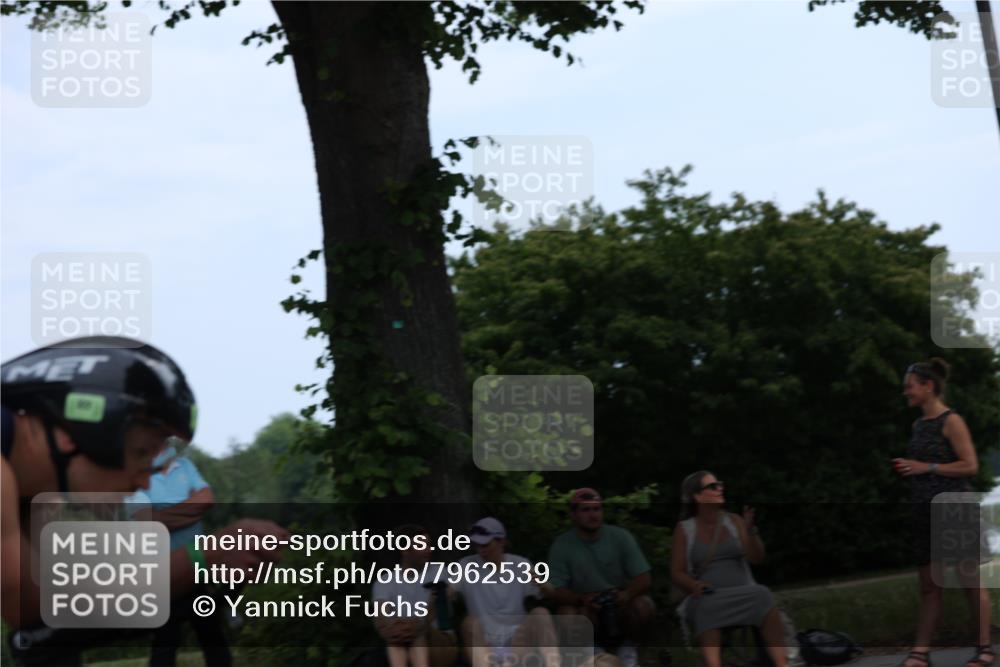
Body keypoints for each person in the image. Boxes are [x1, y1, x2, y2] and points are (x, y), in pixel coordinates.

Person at [1, 336, 288, 666]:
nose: (144, 482)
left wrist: (204, 558)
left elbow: (38, 617)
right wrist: (203, 556)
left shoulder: (30, 493)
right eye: (140, 453)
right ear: (74, 432)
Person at [893, 358, 993, 667]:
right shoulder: (918, 425)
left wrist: (926, 467)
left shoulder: (952, 421)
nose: (905, 392)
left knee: (969, 582)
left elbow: (970, 465)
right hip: (925, 514)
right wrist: (912, 469)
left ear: (928, 386)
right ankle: (920, 653)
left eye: (909, 386)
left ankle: (985, 649)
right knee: (929, 586)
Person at [670, 471, 787, 667]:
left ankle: (782, 663)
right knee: (707, 605)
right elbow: (676, 572)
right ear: (697, 496)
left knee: (763, 594)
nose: (720, 489)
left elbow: (756, 558)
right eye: (713, 486)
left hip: (743, 592)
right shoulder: (684, 529)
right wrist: (693, 585)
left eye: (720, 484)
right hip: (707, 595)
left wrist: (750, 531)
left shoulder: (734, 521)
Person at [127, 447, 231, 667]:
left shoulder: (185, 465)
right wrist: (191, 510)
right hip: (164, 574)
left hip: (198, 567)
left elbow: (206, 499)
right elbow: (148, 522)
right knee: (166, 641)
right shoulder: (137, 477)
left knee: (213, 637)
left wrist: (164, 513)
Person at [546, 488, 655, 667]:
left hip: (618, 605)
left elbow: (644, 578)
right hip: (586, 609)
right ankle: (592, 658)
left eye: (597, 509)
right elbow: (556, 589)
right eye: (586, 510)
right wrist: (581, 599)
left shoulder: (620, 537)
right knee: (566, 614)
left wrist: (626, 594)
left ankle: (629, 654)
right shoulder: (562, 545)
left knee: (644, 606)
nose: (593, 515)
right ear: (573, 515)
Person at [452, 517, 560, 667]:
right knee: (469, 623)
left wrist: (543, 585)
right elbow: (449, 591)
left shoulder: (519, 564)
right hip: (484, 642)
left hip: (518, 641)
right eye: (477, 545)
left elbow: (550, 595)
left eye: (485, 544)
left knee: (541, 613)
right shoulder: (466, 565)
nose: (480, 550)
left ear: (501, 542)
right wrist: (443, 592)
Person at [372, 524, 457, 667]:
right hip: (404, 641)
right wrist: (391, 630)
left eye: (429, 545)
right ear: (404, 550)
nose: (429, 550)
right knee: (395, 638)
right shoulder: (385, 581)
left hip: (439, 641)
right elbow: (381, 613)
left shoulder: (441, 572)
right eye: (422, 545)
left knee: (418, 635)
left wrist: (416, 626)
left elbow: (434, 610)